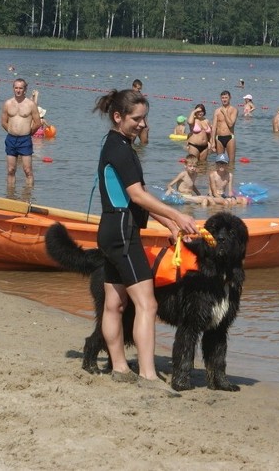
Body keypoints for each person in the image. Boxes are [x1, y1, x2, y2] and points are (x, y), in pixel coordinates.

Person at [92, 87, 198, 394]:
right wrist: (178, 217)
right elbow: (137, 195)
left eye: (144, 118)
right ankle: (149, 376)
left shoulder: (114, 144)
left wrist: (168, 223)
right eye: (136, 119)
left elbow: (133, 201)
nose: (142, 124)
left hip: (111, 229)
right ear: (118, 117)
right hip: (123, 235)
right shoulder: (122, 150)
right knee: (147, 304)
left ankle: (120, 367)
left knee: (114, 303)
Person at [1, 78, 41, 187]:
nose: (18, 90)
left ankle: (28, 197)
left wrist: (28, 133)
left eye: (21, 88)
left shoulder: (31, 104)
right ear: (13, 88)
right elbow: (4, 122)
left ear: (25, 89)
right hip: (11, 139)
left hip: (25, 140)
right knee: (11, 170)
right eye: (16, 88)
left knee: (28, 170)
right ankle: (10, 196)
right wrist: (11, 131)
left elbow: (38, 123)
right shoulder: (8, 103)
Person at [211, 90, 238, 160]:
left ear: (230, 98)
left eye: (226, 97)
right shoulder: (217, 111)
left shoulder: (234, 110)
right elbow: (214, 128)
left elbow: (231, 124)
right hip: (219, 138)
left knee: (231, 162)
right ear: (220, 98)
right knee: (220, 162)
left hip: (230, 137)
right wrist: (212, 141)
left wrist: (225, 113)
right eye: (223, 98)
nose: (224, 99)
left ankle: (231, 171)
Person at [131, 79, 149, 145]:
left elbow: (145, 111)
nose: (139, 90)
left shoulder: (141, 97)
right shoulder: (128, 97)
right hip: (133, 124)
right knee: (131, 143)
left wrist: (146, 124)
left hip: (142, 122)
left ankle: (141, 154)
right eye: (138, 88)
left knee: (145, 142)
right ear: (133, 87)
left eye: (140, 89)